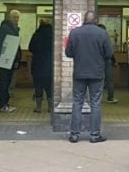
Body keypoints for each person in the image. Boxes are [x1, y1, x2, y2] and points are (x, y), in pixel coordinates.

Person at [65, 11, 114, 144]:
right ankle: (94, 135)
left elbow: (68, 52)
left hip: (79, 73)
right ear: (96, 20)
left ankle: (74, 135)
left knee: (77, 102)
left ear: (84, 20)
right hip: (97, 74)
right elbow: (109, 53)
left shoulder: (74, 33)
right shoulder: (102, 33)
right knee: (95, 104)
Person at [0, 10, 22, 113]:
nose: (16, 19)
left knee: (7, 82)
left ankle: (5, 104)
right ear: (9, 17)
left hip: (11, 60)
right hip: (4, 60)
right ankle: (3, 105)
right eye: (14, 17)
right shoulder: (4, 28)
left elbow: (16, 46)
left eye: (17, 18)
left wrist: (17, 59)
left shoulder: (15, 29)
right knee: (4, 82)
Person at [28, 19, 54, 113]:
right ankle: (50, 107)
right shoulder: (52, 35)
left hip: (37, 64)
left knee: (38, 86)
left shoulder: (36, 35)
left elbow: (30, 48)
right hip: (49, 64)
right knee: (49, 86)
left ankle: (38, 107)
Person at [97, 24, 118, 104]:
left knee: (97, 80)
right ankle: (110, 97)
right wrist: (114, 61)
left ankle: (97, 98)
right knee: (109, 80)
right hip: (106, 61)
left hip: (97, 62)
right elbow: (110, 52)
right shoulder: (106, 38)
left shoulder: (95, 38)